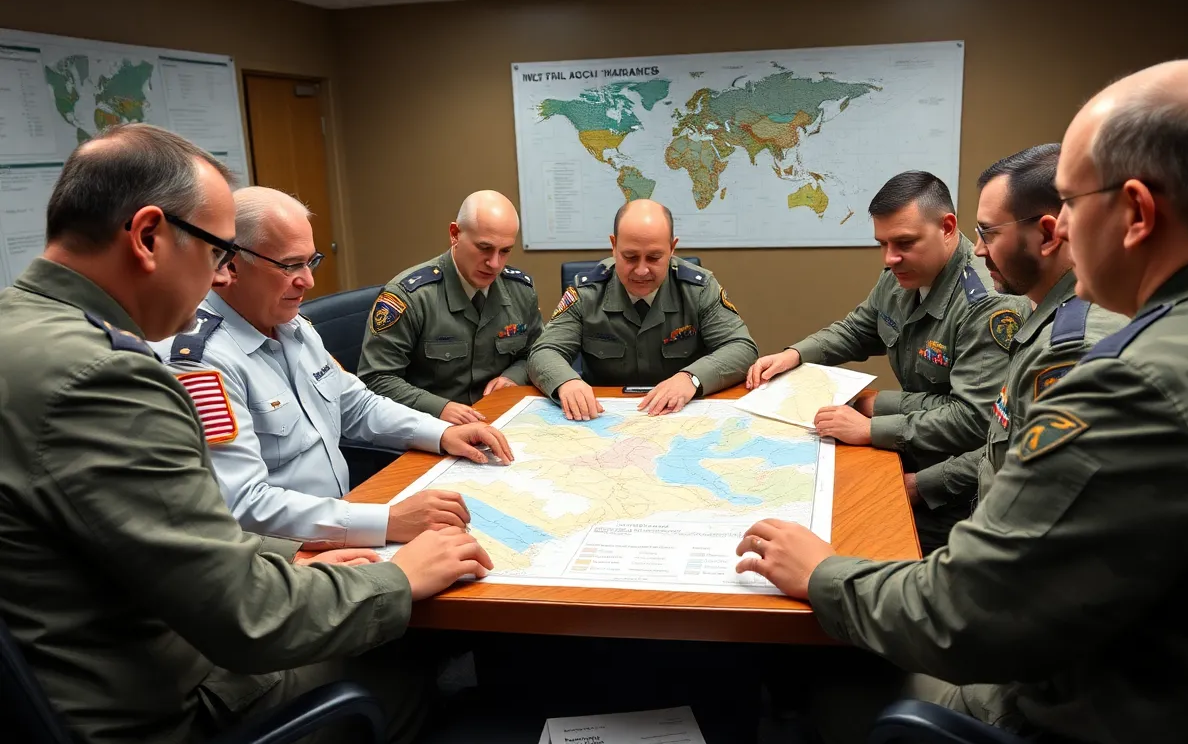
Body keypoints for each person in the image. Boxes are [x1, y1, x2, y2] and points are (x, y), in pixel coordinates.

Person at [735, 59, 1188, 744]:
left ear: (1136, 212)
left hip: (1082, 732)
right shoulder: (1176, 334)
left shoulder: (1129, 378)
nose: (1055, 228)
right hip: (1126, 668)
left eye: (1067, 202)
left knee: (836, 681)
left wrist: (822, 572)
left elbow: (965, 614)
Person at [0, 124, 493, 744]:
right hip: (159, 738)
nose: (219, 275)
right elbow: (246, 618)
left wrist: (294, 558)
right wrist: (394, 578)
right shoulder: (102, 379)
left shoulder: (24, 334)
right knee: (404, 660)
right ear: (147, 236)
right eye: (216, 252)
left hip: (110, 676)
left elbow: (165, 539)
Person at [152, 186, 513, 550]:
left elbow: (356, 405)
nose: (308, 281)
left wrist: (440, 433)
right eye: (290, 265)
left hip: (344, 518)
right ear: (230, 264)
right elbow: (243, 504)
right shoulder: (200, 362)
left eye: (311, 262)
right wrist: (388, 521)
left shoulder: (292, 326)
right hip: (288, 553)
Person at [746, 171, 1029, 551]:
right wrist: (794, 354)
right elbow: (858, 329)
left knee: (854, 546)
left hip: (957, 489)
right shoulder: (902, 272)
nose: (890, 258)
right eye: (882, 243)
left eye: (904, 243)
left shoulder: (987, 304)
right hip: (909, 451)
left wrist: (871, 425)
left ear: (947, 227)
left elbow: (973, 419)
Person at [914, 145, 1127, 510]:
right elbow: (1008, 448)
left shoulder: (1068, 349)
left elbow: (1040, 511)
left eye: (989, 233)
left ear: (1047, 235)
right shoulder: (1049, 312)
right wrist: (925, 483)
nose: (978, 250)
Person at [527, 198, 758, 420]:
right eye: (630, 257)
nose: (641, 270)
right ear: (614, 245)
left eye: (654, 257)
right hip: (603, 417)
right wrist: (567, 382)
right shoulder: (588, 291)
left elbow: (741, 347)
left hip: (680, 415)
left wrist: (692, 378)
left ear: (672, 248)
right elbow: (544, 351)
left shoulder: (698, 288)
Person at [357, 190, 542, 424]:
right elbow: (376, 378)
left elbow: (536, 352)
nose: (495, 263)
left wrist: (512, 377)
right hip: (431, 428)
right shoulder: (410, 297)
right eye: (484, 248)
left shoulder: (520, 290)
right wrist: (440, 408)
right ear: (455, 234)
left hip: (501, 419)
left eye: (505, 251)